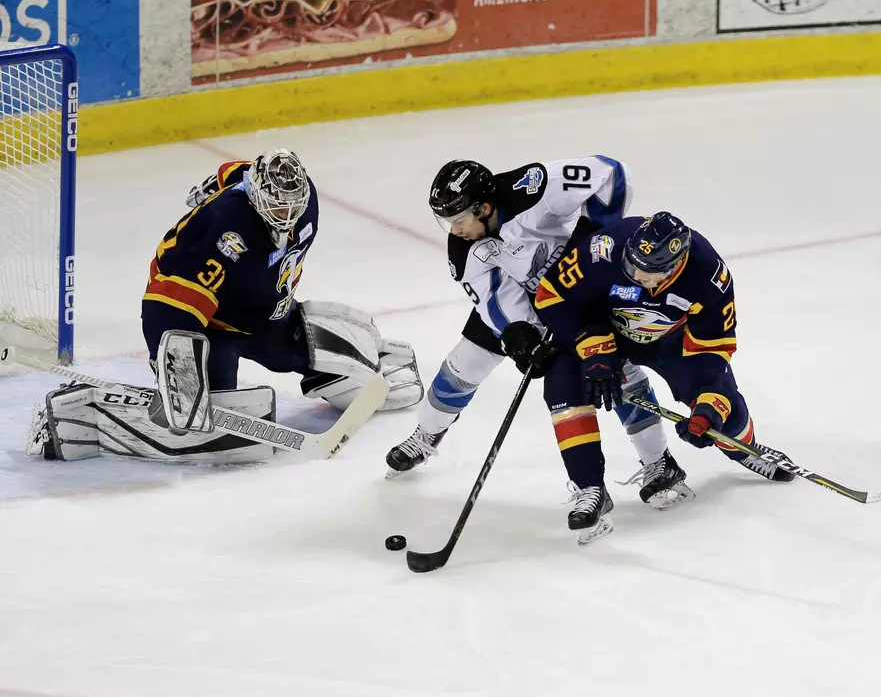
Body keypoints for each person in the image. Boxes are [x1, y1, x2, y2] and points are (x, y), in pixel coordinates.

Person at [26, 149, 421, 463]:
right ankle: (93, 417)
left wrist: (217, 179)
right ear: (255, 197)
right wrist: (177, 360)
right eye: (277, 209)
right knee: (202, 423)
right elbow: (168, 303)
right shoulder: (221, 231)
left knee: (321, 352)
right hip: (213, 329)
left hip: (268, 319)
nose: (286, 218)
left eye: (292, 208)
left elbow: (241, 169)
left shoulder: (297, 194)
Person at [385, 157, 684, 492]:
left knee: (615, 370)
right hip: (529, 296)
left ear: (483, 208)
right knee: (464, 365)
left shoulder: (532, 188)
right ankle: (427, 433)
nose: (454, 231)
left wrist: (592, 230)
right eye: (447, 222)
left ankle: (660, 462)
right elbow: (493, 297)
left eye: (458, 219)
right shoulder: (464, 249)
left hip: (585, 289)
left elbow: (611, 173)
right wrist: (520, 334)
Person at [530, 211, 796, 545]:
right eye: (633, 265)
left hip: (672, 342)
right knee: (561, 384)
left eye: (648, 272)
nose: (637, 275)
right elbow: (551, 297)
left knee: (722, 409)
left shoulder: (709, 276)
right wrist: (594, 347)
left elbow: (712, 350)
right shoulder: (605, 249)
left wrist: (707, 406)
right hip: (605, 336)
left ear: (676, 265)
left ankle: (746, 450)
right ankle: (590, 487)